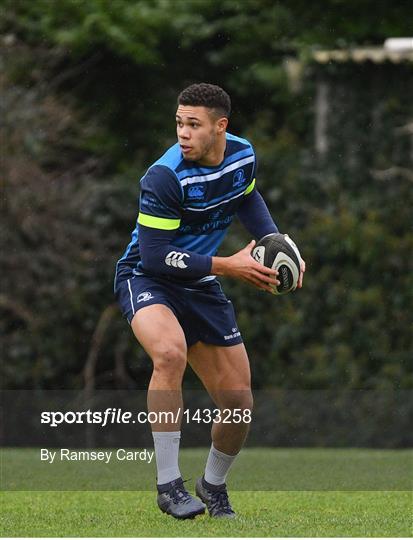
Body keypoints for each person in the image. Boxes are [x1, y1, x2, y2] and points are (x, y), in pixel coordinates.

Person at [114, 83, 305, 520]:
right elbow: (156, 257)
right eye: (179, 123)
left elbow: (247, 197)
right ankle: (169, 486)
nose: (183, 133)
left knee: (239, 404)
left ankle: (212, 486)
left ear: (221, 126)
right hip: (147, 278)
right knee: (168, 353)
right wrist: (228, 265)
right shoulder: (165, 175)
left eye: (194, 125)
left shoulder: (242, 155)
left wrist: (276, 245)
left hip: (200, 284)